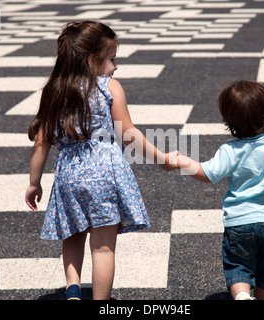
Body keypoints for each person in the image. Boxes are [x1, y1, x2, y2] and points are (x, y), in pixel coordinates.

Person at [25, 21, 178, 300]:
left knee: (71, 235)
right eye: (112, 59)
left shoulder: (54, 91)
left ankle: (73, 290)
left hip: (68, 176)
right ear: (93, 60)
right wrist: (162, 159)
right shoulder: (109, 87)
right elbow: (128, 134)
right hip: (105, 174)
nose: (115, 66)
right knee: (103, 248)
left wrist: (34, 183)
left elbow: (41, 143)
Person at [176, 80, 264, 300]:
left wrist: (181, 161)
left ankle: (241, 295)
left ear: (229, 122)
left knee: (239, 265)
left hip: (240, 222)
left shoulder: (229, 150)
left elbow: (206, 173)